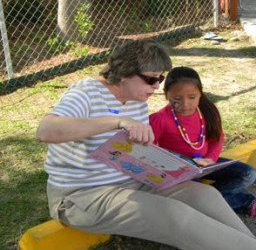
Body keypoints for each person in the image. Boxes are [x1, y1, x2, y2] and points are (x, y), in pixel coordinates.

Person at [37, 40, 256, 250]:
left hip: (132, 180)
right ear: (125, 72)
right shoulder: (86, 92)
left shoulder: (136, 99)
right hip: (82, 195)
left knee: (206, 196)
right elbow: (46, 130)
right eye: (151, 79)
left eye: (160, 79)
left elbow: (132, 152)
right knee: (176, 216)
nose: (157, 86)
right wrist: (117, 122)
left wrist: (177, 166)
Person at [149, 66, 256, 217]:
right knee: (196, 195)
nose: (185, 104)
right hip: (181, 172)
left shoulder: (208, 111)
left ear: (200, 93)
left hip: (206, 164)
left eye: (192, 97)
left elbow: (216, 138)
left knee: (248, 174)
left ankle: (207, 204)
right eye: (177, 99)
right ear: (166, 95)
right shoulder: (159, 119)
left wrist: (210, 159)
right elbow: (150, 150)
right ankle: (241, 201)